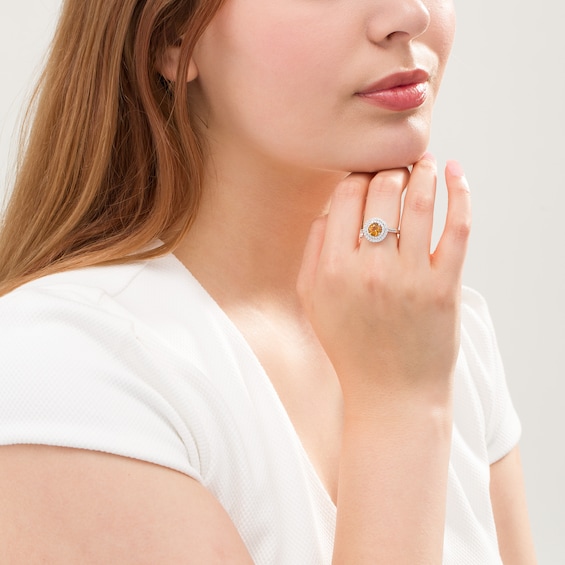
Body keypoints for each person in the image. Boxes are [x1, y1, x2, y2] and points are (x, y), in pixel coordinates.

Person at [0, 0, 537, 563]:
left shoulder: (438, 331)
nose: (409, 14)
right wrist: (399, 409)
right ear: (173, 36)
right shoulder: (65, 371)